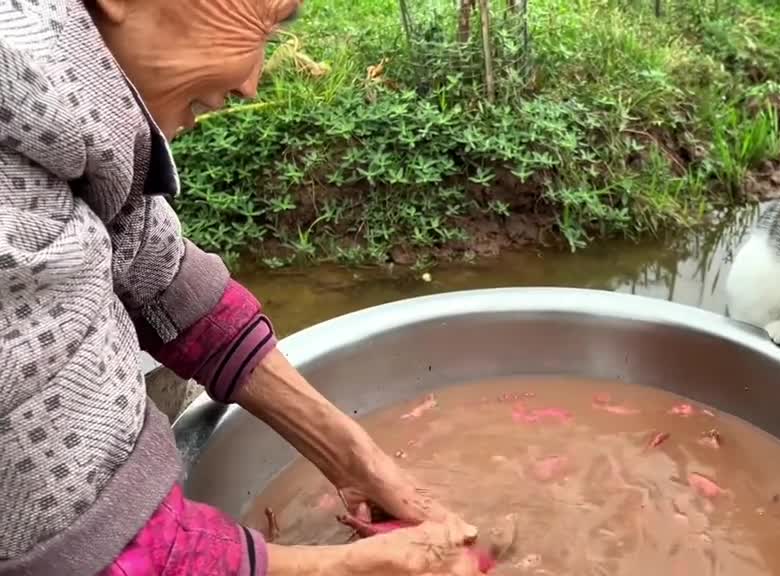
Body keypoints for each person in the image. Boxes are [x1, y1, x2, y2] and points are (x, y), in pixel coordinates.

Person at [0, 0, 484, 574]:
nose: (252, 84)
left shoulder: (69, 115)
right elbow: (85, 546)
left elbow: (159, 275)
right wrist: (358, 567)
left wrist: (355, 456)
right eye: (260, 14)